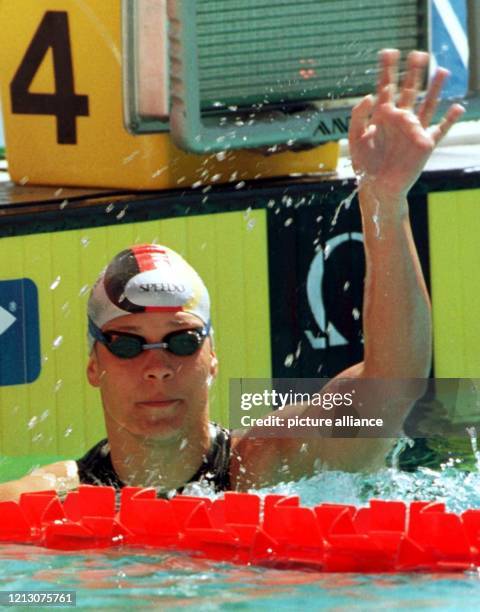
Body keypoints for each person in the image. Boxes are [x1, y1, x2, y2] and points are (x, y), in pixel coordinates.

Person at [0, 49, 465, 501]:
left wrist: (383, 199)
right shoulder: (55, 497)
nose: (158, 368)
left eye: (182, 340)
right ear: (93, 367)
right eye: (126, 344)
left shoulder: (271, 463)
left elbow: (392, 386)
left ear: (213, 359)